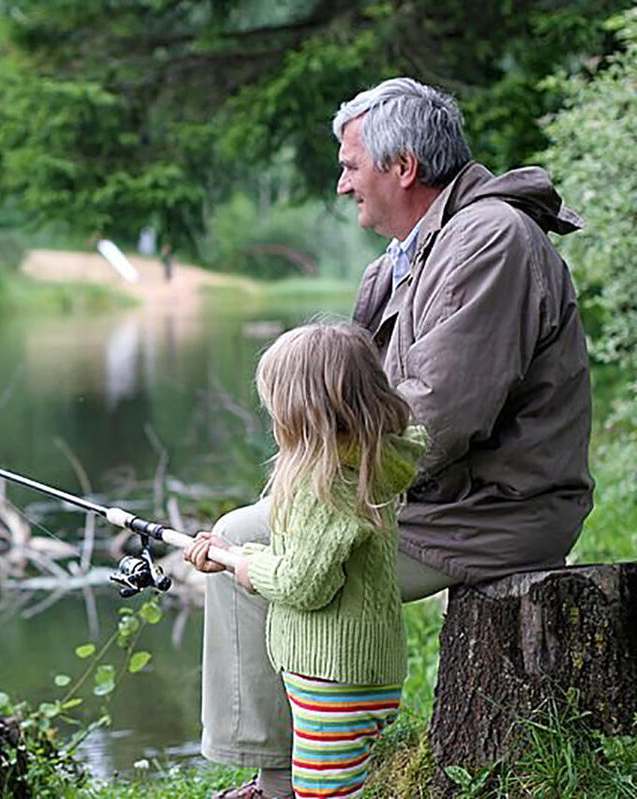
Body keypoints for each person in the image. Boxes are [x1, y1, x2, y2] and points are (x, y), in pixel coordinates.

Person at [192, 77, 594, 799]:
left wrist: (316, 493)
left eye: (351, 166)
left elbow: (438, 416)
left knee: (256, 544)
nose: (343, 185)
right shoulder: (405, 257)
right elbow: (352, 405)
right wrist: (303, 483)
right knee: (256, 529)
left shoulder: (490, 239)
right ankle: (279, 769)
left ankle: (283, 780)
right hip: (431, 497)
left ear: (402, 166)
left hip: (492, 512)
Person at [186, 322, 427, 798]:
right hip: (354, 669)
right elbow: (311, 561)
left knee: (325, 792)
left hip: (332, 677)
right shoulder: (364, 464)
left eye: (275, 404)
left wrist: (241, 566)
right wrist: (240, 553)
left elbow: (304, 583)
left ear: (301, 412)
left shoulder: (327, 486)